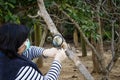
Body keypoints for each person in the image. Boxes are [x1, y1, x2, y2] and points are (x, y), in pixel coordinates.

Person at [0, 23, 67, 80]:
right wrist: (57, 61)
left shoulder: (6, 54)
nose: (27, 42)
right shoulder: (21, 70)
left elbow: (29, 51)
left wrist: (45, 52)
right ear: (15, 44)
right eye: (24, 40)